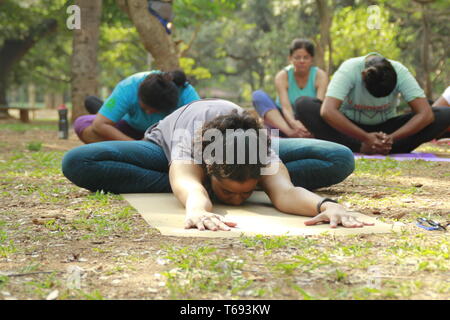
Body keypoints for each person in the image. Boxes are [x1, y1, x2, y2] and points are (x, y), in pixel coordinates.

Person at [62, 99, 366, 230]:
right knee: (80, 161)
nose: (235, 202)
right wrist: (196, 206)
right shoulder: (190, 142)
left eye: (246, 193)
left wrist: (326, 206)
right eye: (228, 191)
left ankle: (249, 181)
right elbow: (189, 183)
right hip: (163, 148)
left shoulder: (260, 149)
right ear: (208, 168)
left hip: (237, 147)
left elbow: (285, 192)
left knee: (338, 157)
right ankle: (188, 177)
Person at [295, 53, 450, 154]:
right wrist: (364, 138)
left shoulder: (400, 71)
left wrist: (391, 138)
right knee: (303, 104)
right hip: (349, 130)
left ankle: (384, 146)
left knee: (444, 114)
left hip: (387, 131)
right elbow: (327, 111)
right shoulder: (350, 69)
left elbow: (425, 114)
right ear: (364, 75)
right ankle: (360, 147)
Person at [74, 70, 200, 144]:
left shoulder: (187, 95)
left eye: (155, 110)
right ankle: (108, 112)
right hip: (131, 130)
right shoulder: (129, 86)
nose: (149, 113)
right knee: (83, 124)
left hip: (167, 138)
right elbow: (99, 125)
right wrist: (137, 146)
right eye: (145, 109)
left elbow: (200, 130)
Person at [252, 38, 328, 138]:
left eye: (306, 57)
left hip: (309, 123)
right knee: (258, 96)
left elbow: (318, 108)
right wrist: (293, 125)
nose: (302, 61)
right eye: (297, 57)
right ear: (290, 58)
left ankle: (304, 134)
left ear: (312, 59)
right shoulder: (282, 76)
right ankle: (291, 134)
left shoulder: (320, 75)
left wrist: (307, 127)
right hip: (285, 121)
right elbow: (286, 107)